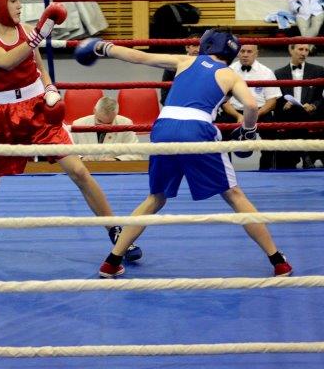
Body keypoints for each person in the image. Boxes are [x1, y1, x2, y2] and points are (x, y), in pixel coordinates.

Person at [0, 0, 142, 261]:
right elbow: (7, 61)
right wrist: (38, 34)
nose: (19, 5)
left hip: (37, 107)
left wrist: (49, 89)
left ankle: (116, 232)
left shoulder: (26, 30)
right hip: (3, 114)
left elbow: (39, 67)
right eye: (13, 0)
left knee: (79, 171)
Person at [74, 29, 293, 279]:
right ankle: (278, 261)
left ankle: (111, 262)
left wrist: (103, 47)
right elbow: (252, 105)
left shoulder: (185, 61)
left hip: (163, 127)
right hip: (197, 130)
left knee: (155, 198)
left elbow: (139, 57)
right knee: (234, 195)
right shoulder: (230, 75)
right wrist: (249, 130)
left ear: (206, 45)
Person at [218, 44, 281, 170]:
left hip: (260, 112)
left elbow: (272, 101)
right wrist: (238, 116)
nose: (245, 54)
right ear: (238, 53)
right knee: (221, 131)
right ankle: (226, 170)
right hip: (234, 112)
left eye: (249, 51)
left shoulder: (266, 72)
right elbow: (223, 101)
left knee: (271, 132)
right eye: (242, 51)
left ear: (256, 53)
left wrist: (253, 116)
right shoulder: (228, 71)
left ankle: (266, 170)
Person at [274, 43, 324, 169]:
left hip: (310, 114)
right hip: (288, 114)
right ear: (291, 50)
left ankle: (301, 154)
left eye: (306, 50)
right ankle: (305, 154)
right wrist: (284, 105)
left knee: (300, 112)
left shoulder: (318, 71)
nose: (304, 53)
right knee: (295, 111)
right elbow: (276, 99)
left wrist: (313, 106)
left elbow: (320, 98)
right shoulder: (279, 73)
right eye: (300, 49)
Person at [71, 96, 142, 161]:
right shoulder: (78, 124)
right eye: (100, 121)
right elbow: (68, 151)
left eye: (109, 123)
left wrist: (116, 160)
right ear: (94, 110)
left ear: (116, 114)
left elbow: (136, 154)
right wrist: (81, 158)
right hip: (84, 167)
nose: (103, 127)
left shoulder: (126, 124)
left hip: (114, 169)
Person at [160, 33, 200, 105]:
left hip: (199, 107)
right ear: (187, 47)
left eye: (201, 46)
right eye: (195, 45)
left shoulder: (209, 65)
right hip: (176, 106)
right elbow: (164, 94)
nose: (198, 49)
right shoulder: (173, 64)